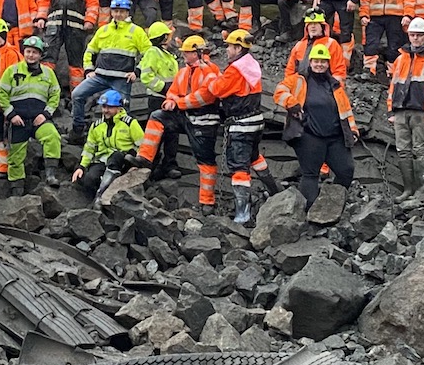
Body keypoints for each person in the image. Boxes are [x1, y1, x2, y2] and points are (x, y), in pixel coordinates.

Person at [131, 35, 221, 201]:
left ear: (198, 53)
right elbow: (172, 91)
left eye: (188, 52)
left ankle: (207, 200)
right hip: (186, 117)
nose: (184, 55)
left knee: (205, 161)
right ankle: (145, 158)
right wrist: (170, 101)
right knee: (158, 116)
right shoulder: (183, 72)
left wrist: (177, 103)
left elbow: (205, 97)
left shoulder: (211, 70)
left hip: (204, 121)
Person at [273, 45, 359, 212]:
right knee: (311, 174)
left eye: (323, 61)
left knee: (346, 171)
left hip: (335, 137)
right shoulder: (298, 80)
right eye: (316, 61)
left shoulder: (335, 85)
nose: (319, 64)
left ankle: (331, 204)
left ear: (328, 63)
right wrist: (292, 104)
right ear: (310, 62)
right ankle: (307, 213)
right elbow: (279, 91)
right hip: (309, 136)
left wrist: (353, 130)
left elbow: (346, 110)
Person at [211, 29, 279, 223]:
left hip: (241, 124)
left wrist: (212, 77)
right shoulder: (251, 64)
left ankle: (243, 214)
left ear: (238, 48)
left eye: (230, 47)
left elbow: (217, 89)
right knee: (254, 157)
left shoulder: (235, 69)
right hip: (256, 121)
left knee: (239, 167)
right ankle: (274, 191)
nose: (227, 51)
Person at [70, 0, 150, 143]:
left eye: (122, 11)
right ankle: (77, 131)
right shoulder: (103, 30)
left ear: (128, 13)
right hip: (100, 76)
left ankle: (125, 140)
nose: (118, 14)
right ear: (111, 12)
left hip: (121, 78)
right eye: (116, 11)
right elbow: (90, 51)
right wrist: (88, 70)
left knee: (123, 111)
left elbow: (148, 54)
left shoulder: (136, 31)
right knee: (77, 94)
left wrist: (136, 72)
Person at [387, 17, 424, 203]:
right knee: (403, 150)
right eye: (412, 35)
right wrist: (390, 110)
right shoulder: (401, 59)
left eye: (419, 35)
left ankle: (422, 190)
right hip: (400, 111)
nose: (415, 38)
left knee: (420, 150)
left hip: (421, 111)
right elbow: (393, 86)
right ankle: (407, 190)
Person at [0, 36, 63, 194]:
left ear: (40, 55)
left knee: (52, 136)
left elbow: (55, 95)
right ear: (23, 52)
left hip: (39, 119)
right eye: (28, 51)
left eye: (34, 52)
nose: (31, 55)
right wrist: (11, 114)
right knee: (15, 155)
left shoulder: (48, 74)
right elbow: (2, 93)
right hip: (18, 120)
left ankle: (51, 174)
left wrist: (45, 114)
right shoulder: (12, 71)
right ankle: (16, 189)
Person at [35, 0, 99, 94]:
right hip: (54, 26)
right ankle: (44, 94)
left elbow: (93, 2)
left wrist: (90, 20)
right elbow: (43, 0)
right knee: (48, 60)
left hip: (76, 28)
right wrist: (41, 17)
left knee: (76, 63)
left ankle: (76, 96)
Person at [72, 89, 143, 203]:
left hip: (124, 161)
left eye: (109, 107)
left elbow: (143, 146)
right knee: (89, 179)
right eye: (104, 107)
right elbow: (89, 149)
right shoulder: (96, 126)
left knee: (116, 156)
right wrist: (81, 167)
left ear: (118, 108)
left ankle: (101, 196)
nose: (106, 110)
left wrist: (137, 164)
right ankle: (95, 202)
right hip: (103, 161)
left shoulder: (130, 123)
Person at [359, 0, 408, 79]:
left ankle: (393, 72)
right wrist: (364, 15)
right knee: (371, 43)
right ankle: (369, 70)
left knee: (395, 45)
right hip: (375, 17)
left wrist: (408, 15)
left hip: (395, 17)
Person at [0, 18, 21, 195]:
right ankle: (3, 163)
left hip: (6, 98)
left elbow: (13, 80)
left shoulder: (11, 54)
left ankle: (10, 166)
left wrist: (6, 102)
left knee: (8, 132)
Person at [285, 11, 348, 82]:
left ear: (322, 26)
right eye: (310, 24)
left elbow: (339, 71)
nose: (313, 26)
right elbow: (290, 70)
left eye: (316, 23)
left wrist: (334, 88)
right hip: (301, 86)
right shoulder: (299, 45)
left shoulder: (331, 44)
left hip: (324, 86)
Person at [140, 22, 180, 112]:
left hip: (168, 96)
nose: (170, 38)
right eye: (167, 36)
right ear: (163, 37)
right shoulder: (153, 52)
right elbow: (146, 77)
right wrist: (163, 87)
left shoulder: (165, 53)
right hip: (158, 98)